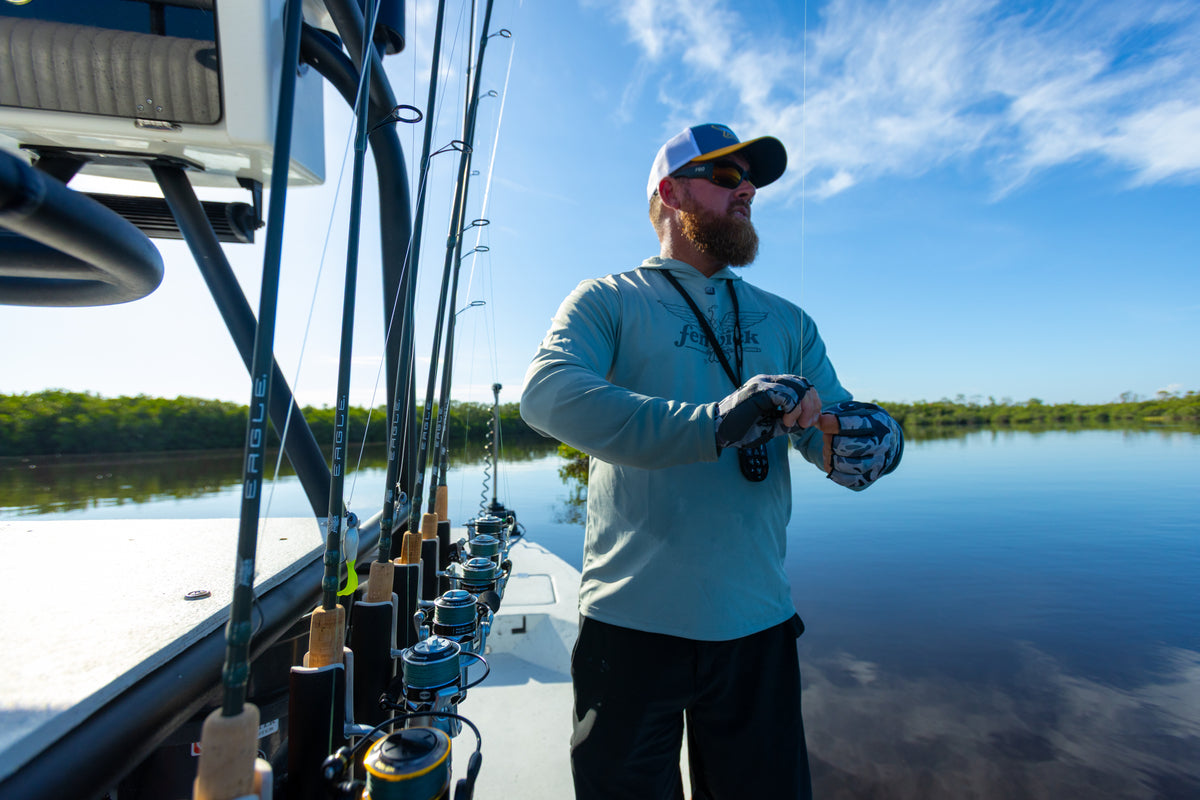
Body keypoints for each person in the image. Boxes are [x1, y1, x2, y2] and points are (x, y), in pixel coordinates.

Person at [519, 123, 903, 799]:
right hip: (628, 631)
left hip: (759, 629)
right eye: (726, 177)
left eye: (751, 180)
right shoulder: (606, 300)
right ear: (670, 192)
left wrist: (877, 444)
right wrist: (716, 423)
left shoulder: (789, 322)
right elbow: (548, 397)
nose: (747, 189)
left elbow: (833, 435)